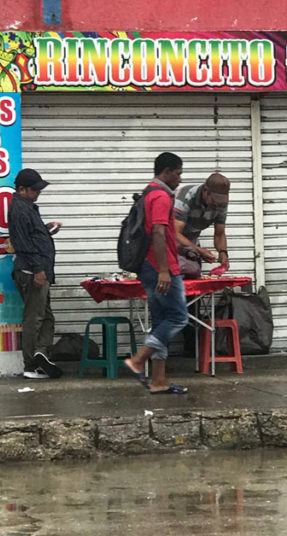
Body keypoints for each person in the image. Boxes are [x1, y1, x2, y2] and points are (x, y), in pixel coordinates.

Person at [121, 152, 190, 395]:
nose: (180, 179)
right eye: (178, 174)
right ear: (167, 172)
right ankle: (138, 360)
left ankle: (159, 380)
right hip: (161, 266)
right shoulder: (160, 196)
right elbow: (158, 233)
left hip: (148, 266)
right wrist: (164, 270)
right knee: (179, 317)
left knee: (161, 322)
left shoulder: (149, 192)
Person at [8, 167, 63, 380]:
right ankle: (31, 364)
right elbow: (23, 243)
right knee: (34, 318)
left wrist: (46, 228)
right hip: (31, 272)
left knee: (46, 316)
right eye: (35, 190)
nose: (38, 193)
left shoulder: (27, 207)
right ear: (22, 189)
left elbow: (32, 235)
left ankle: (42, 353)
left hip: (39, 270)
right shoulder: (20, 209)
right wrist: (38, 270)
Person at [174, 172, 231, 276]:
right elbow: (175, 233)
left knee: (193, 273)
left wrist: (223, 253)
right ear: (205, 191)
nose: (218, 206)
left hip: (192, 238)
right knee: (178, 271)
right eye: (214, 201)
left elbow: (220, 234)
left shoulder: (221, 204)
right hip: (169, 238)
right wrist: (199, 251)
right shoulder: (185, 196)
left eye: (221, 202)